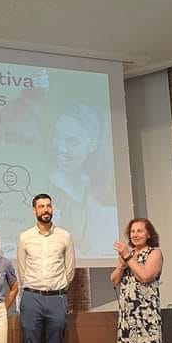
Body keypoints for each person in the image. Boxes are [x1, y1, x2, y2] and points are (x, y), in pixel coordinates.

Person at [16, 193, 76, 343]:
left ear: (52, 209)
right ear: (34, 210)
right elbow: (21, 270)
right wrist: (33, 290)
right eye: (41, 206)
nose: (45, 210)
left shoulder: (64, 236)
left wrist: (58, 289)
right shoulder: (25, 237)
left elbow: (69, 270)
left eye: (48, 206)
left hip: (56, 298)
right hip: (32, 298)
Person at [109, 218, 167, 343]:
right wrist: (121, 264)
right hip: (130, 314)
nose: (135, 234)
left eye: (139, 231)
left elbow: (145, 276)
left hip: (146, 313)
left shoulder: (155, 253)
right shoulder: (129, 255)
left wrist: (128, 257)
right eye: (132, 231)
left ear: (149, 234)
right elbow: (114, 281)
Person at [46, 104, 118, 256]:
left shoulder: (95, 187)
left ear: (92, 145)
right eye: (58, 136)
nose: (61, 148)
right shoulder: (48, 187)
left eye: (72, 141)